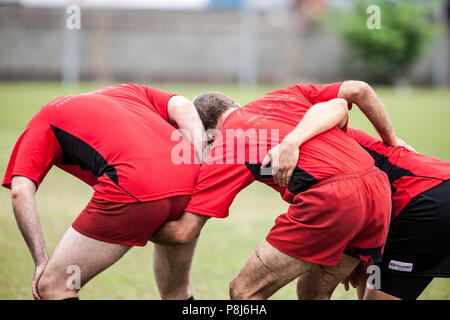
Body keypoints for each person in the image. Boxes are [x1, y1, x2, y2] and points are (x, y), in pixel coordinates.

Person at [151, 80, 404, 299]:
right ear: (235, 105)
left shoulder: (226, 145)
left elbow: (184, 231)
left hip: (332, 200)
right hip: (379, 190)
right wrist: (393, 140)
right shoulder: (284, 95)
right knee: (312, 292)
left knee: (244, 292)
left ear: (207, 135)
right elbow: (356, 89)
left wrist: (130, 225)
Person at [2, 83, 204, 300]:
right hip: (190, 182)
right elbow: (184, 105)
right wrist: (198, 162)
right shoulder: (129, 90)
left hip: (135, 190)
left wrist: (41, 260)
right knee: (176, 293)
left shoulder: (45, 118)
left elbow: (20, 191)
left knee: (54, 286)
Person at [296, 127, 450, 300]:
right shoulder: (325, 134)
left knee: (315, 284)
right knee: (349, 273)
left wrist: (343, 252)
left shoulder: (318, 144)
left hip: (422, 202)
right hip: (424, 194)